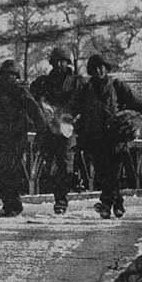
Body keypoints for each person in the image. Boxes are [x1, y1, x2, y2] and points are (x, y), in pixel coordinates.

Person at [65, 55, 142, 219]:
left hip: (115, 135)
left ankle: (106, 203)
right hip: (93, 137)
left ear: (107, 68)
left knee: (113, 170)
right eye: (95, 68)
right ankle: (118, 203)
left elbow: (140, 101)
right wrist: (65, 117)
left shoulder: (117, 85)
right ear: (91, 71)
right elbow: (73, 106)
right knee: (103, 173)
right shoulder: (85, 89)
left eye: (102, 67)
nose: (99, 70)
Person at [0, 59, 50, 217]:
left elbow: (36, 112)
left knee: (9, 169)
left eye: (11, 75)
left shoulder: (21, 91)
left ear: (16, 76)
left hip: (14, 137)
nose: (7, 78)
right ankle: (7, 203)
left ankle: (14, 205)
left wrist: (42, 133)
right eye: (4, 74)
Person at [30, 47, 82, 214]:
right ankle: (67, 186)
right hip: (49, 127)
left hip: (69, 127)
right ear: (52, 63)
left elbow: (84, 102)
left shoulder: (76, 82)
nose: (60, 64)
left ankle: (61, 199)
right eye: (57, 61)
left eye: (64, 61)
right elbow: (32, 98)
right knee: (50, 164)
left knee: (65, 161)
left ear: (68, 62)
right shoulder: (43, 82)